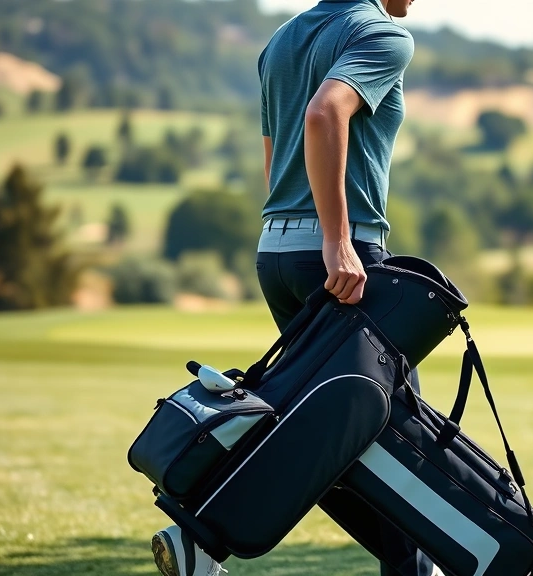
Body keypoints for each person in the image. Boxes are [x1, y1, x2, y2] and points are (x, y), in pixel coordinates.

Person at [151, 0, 428, 575]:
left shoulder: (281, 40)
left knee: (325, 424)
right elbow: (324, 117)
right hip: (340, 258)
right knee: (401, 433)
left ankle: (203, 542)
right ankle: (207, 539)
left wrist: (304, 233)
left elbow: (275, 154)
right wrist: (336, 238)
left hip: (278, 252)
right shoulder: (382, 35)